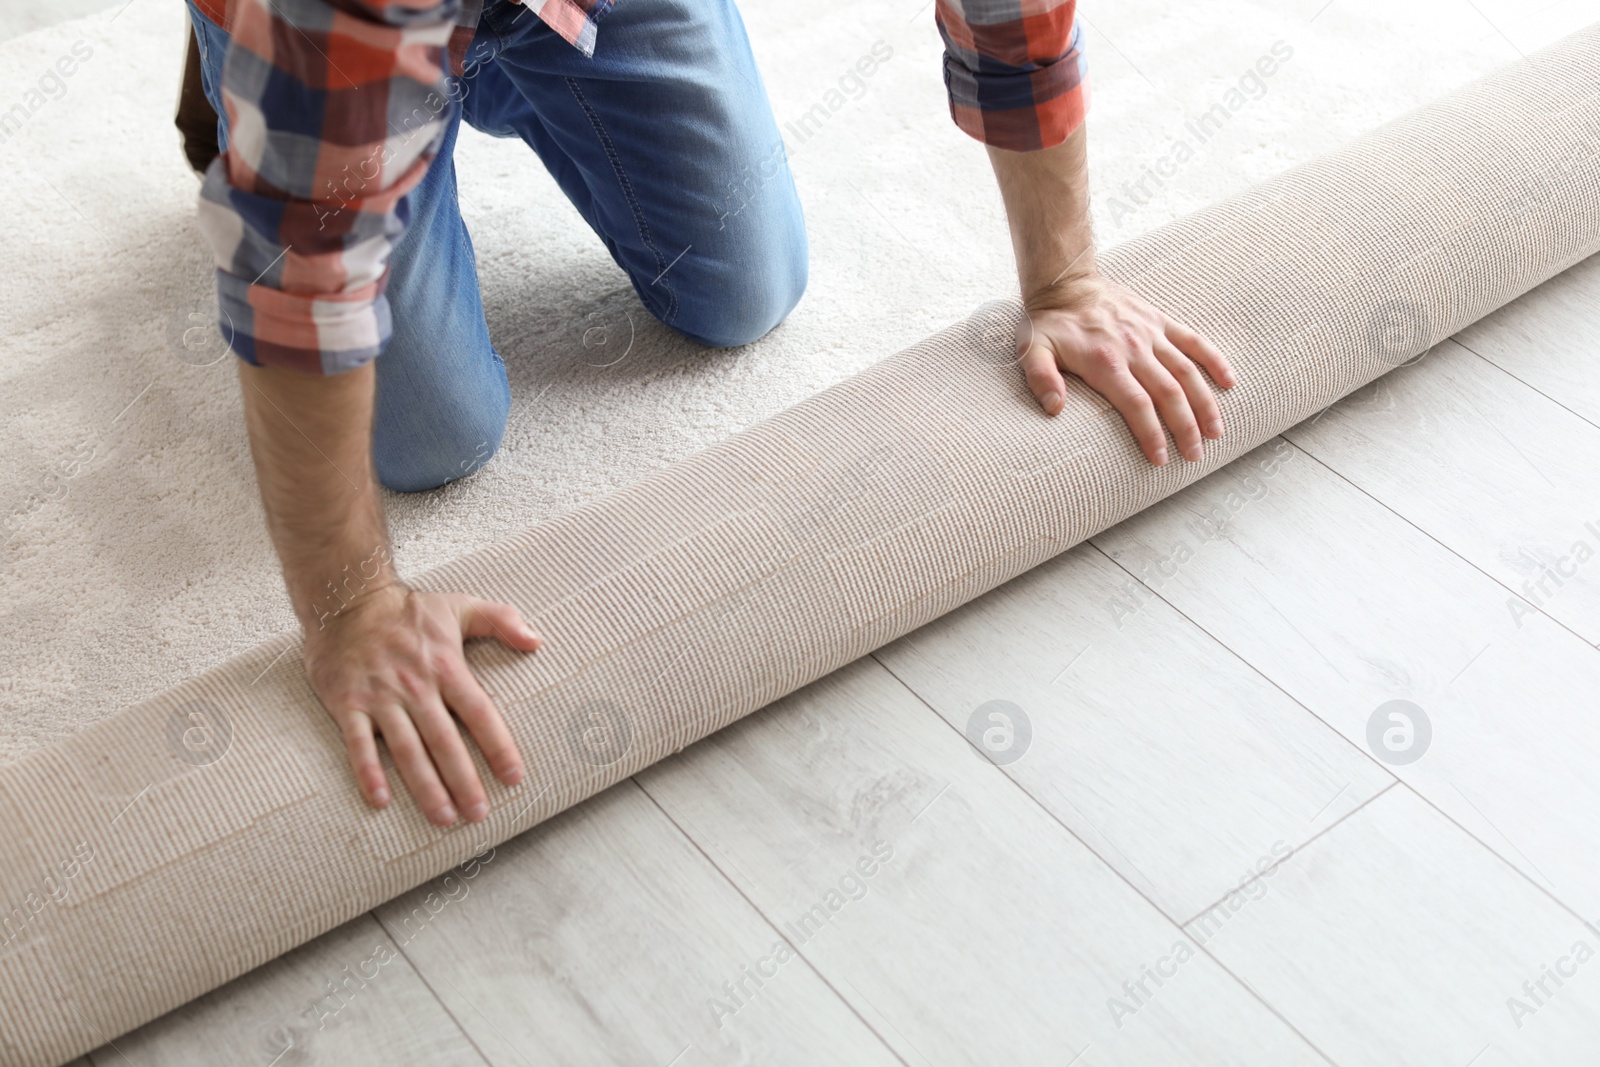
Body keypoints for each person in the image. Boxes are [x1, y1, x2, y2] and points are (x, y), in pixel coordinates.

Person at [182, 0, 1235, 828]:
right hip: (327, 31)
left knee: (745, 290)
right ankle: (245, 81)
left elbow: (1014, 11)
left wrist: (1064, 285)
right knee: (430, 439)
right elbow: (304, 287)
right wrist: (350, 610)